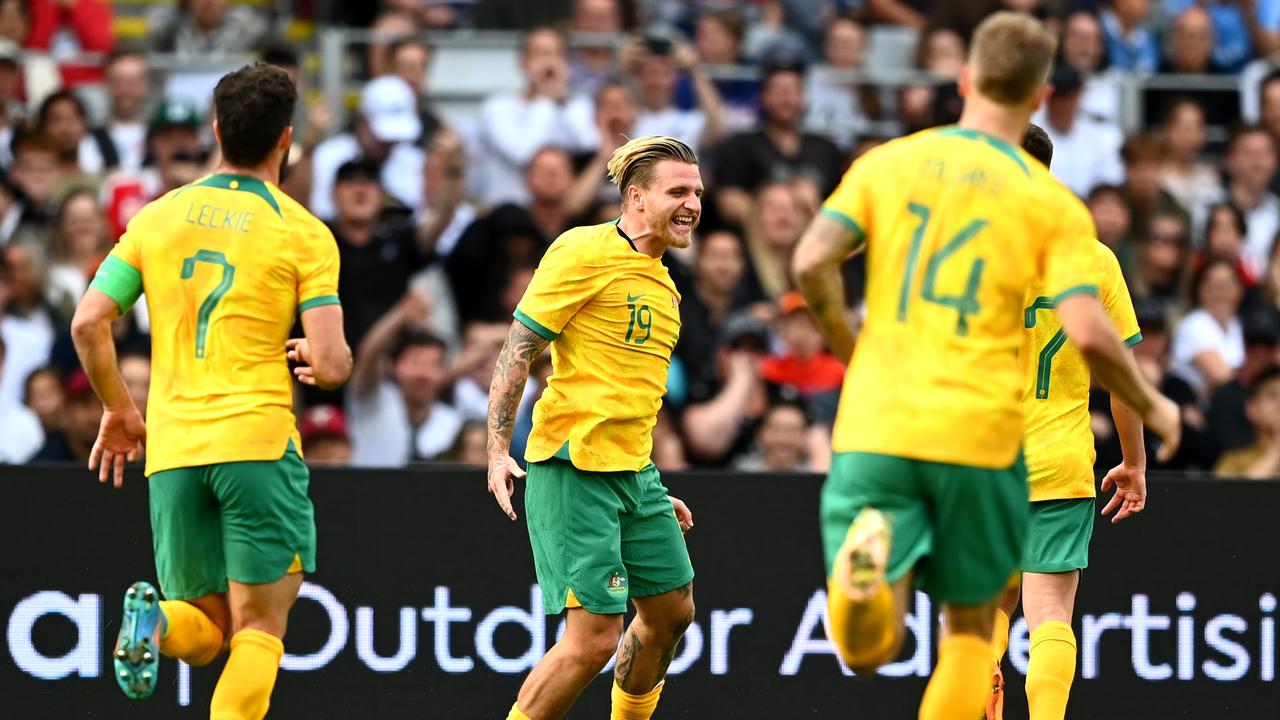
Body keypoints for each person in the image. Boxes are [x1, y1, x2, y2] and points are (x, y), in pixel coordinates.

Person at [790, 13, 1179, 720]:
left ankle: (863, 590)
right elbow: (1099, 343)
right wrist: (1147, 427)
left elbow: (811, 262)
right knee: (1023, 620)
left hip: (891, 425)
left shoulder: (893, 166)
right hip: (1015, 448)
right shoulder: (1057, 219)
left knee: (892, 644)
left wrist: (853, 350)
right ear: (1040, 95)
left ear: (965, 80)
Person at [69, 63, 352, 718]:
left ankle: (158, 623)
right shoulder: (303, 232)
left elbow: (89, 322)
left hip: (172, 449)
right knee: (259, 628)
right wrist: (319, 358)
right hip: (254, 441)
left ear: (217, 129)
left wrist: (119, 409)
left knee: (204, 631)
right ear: (287, 138)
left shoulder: (156, 217)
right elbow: (333, 365)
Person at [486, 136, 700, 720]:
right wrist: (497, 450)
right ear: (635, 197)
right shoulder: (582, 250)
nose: (692, 203)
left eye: (697, 192)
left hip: (634, 475)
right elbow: (518, 349)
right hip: (573, 465)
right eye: (677, 191)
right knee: (595, 638)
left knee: (671, 612)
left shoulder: (667, 286)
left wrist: (648, 491)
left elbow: (630, 396)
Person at [986, 123, 1148, 720]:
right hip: (1058, 462)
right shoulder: (1093, 260)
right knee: (1050, 612)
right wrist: (1133, 462)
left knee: (987, 615)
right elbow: (1122, 380)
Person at [1213, 364, 1280, 478]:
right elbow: (1232, 495)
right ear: (1251, 408)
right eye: (1272, 395)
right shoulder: (1233, 461)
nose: (1279, 403)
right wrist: (1276, 452)